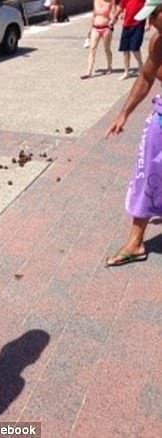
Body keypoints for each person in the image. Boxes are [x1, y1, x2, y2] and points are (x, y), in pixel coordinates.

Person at [105, 0, 162, 267]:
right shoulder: (157, 43)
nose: (149, 24)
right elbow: (146, 77)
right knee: (146, 177)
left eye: (154, 17)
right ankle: (135, 242)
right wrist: (124, 113)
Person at [81, 0, 116, 79]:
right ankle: (89, 71)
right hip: (95, 28)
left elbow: (113, 16)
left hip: (106, 28)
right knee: (92, 49)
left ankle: (109, 67)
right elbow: (94, 15)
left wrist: (111, 22)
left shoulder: (111, 2)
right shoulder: (96, 1)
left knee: (107, 49)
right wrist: (90, 30)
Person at [112, 0, 147, 80]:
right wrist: (114, 18)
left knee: (135, 49)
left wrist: (148, 23)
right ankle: (126, 72)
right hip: (127, 24)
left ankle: (141, 68)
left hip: (138, 24)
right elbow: (121, 7)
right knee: (125, 50)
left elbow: (147, 7)